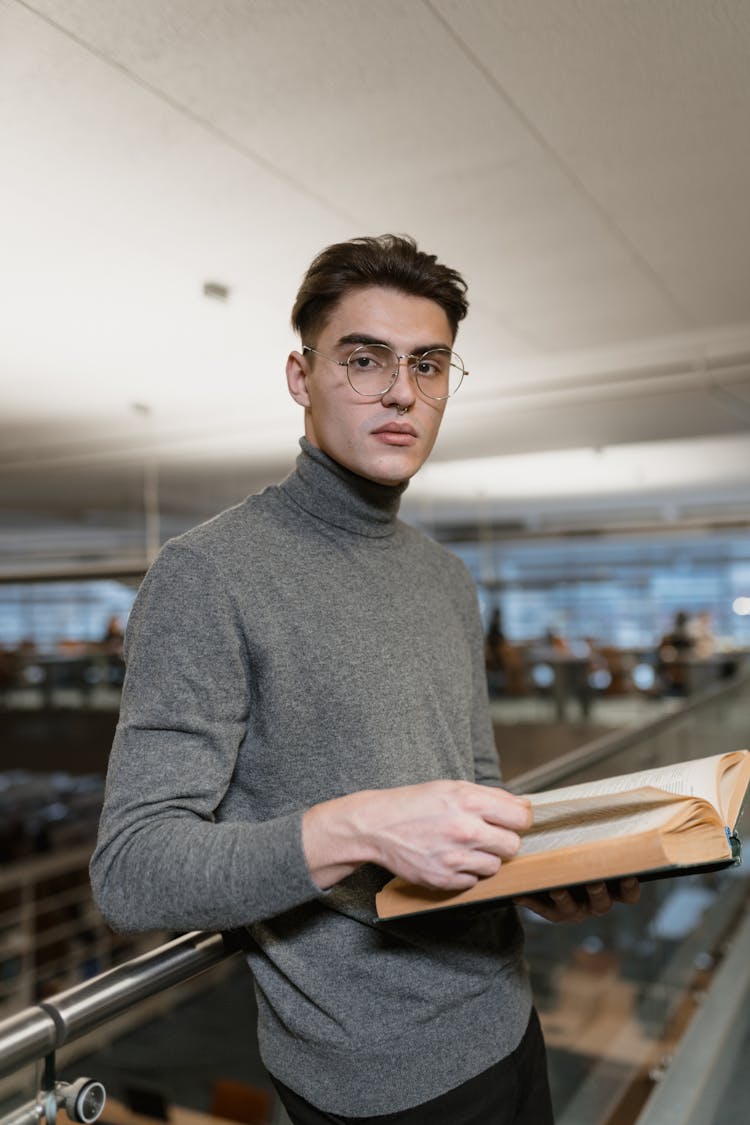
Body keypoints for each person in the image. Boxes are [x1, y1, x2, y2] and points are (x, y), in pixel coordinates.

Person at [90, 235, 638, 1125]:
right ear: (300, 378)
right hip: (371, 1083)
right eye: (363, 360)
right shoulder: (208, 574)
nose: (401, 392)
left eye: (428, 364)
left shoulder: (446, 578)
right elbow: (133, 870)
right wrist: (363, 825)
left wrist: (541, 874)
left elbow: (476, 788)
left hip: (507, 1018)